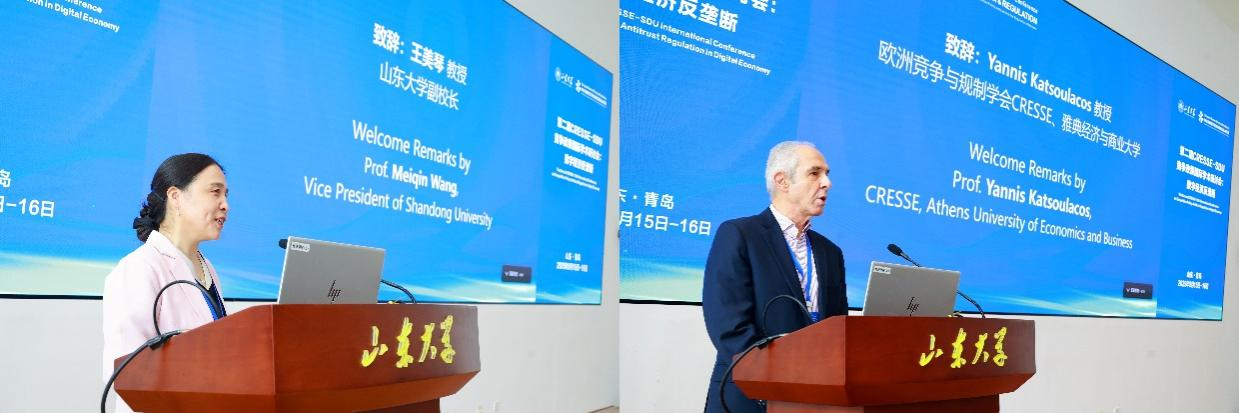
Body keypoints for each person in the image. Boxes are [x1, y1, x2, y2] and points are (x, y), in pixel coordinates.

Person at [702, 141, 849, 413]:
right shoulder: (740, 235)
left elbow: (838, 327)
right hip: (751, 394)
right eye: (814, 173)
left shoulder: (830, 252)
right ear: (782, 181)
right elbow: (729, 326)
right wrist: (780, 377)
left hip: (814, 396)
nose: (827, 183)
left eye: (827, 174)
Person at [102, 153, 230, 413]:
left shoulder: (208, 268)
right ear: (176, 196)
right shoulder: (138, 268)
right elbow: (126, 373)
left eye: (226, 195)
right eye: (215, 192)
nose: (225, 205)